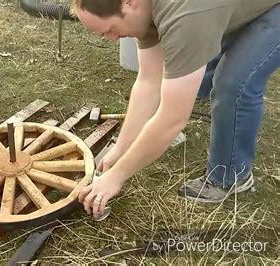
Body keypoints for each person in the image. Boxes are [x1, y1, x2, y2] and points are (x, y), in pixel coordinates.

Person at [73, 0, 280, 218]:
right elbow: (148, 83)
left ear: (129, 2)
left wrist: (116, 177)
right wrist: (120, 150)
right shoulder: (144, 12)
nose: (114, 39)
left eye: (112, 30)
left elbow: (172, 119)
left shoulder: (184, 18)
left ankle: (231, 177)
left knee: (232, 84)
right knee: (187, 67)